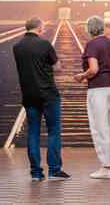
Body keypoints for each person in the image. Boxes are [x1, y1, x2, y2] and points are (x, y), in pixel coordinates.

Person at [13, 18, 70, 181]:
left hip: (29, 96)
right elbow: (57, 67)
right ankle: (54, 170)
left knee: (33, 133)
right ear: (39, 28)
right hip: (48, 95)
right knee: (53, 131)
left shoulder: (17, 47)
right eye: (42, 28)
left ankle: (36, 173)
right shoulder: (45, 45)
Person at [74, 16, 110, 179]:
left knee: (100, 127)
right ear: (103, 28)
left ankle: (107, 167)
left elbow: (94, 69)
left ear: (89, 29)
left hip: (99, 89)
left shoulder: (92, 44)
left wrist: (81, 76)